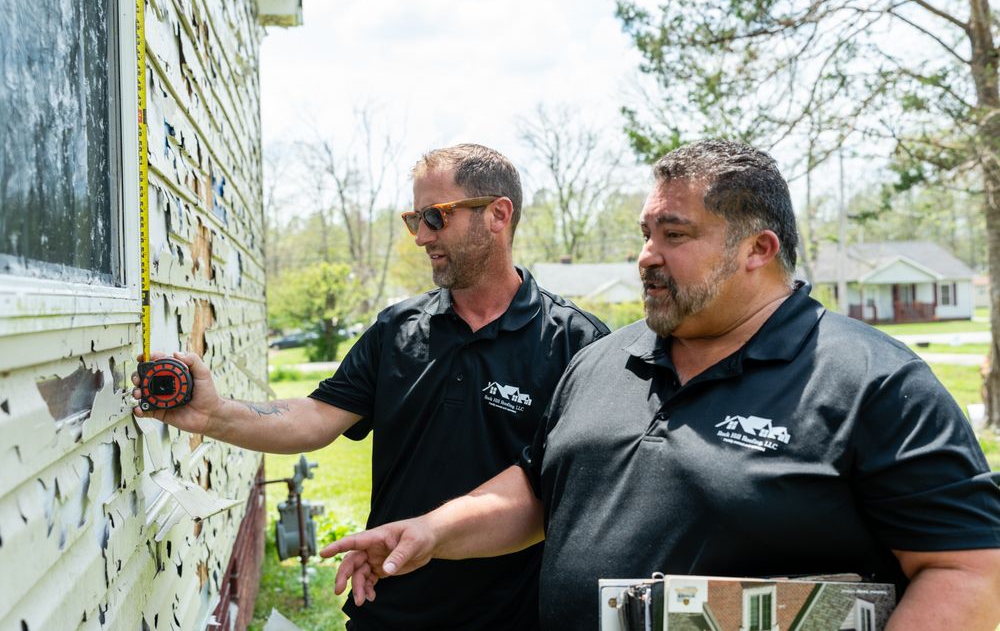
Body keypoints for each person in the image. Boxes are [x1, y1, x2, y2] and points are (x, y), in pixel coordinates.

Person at [323, 140, 1000, 630]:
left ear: (756, 250)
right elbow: (537, 488)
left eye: (674, 234)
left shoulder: (874, 383)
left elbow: (970, 574)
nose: (647, 255)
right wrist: (432, 529)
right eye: (647, 232)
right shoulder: (600, 362)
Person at [132, 143, 609, 630]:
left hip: (514, 618)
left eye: (436, 217)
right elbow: (317, 417)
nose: (422, 237)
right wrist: (214, 415)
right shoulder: (398, 330)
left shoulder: (575, 343)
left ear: (498, 214)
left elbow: (564, 492)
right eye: (414, 219)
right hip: (388, 603)